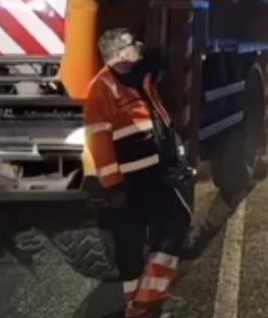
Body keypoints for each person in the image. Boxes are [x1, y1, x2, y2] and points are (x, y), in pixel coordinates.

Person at [84, 27, 192, 318]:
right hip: (130, 181)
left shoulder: (132, 77)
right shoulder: (101, 89)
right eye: (133, 45)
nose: (138, 47)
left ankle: (138, 307)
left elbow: (156, 114)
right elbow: (100, 141)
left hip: (150, 173)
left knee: (133, 242)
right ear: (120, 53)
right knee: (170, 224)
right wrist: (114, 187)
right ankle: (146, 301)